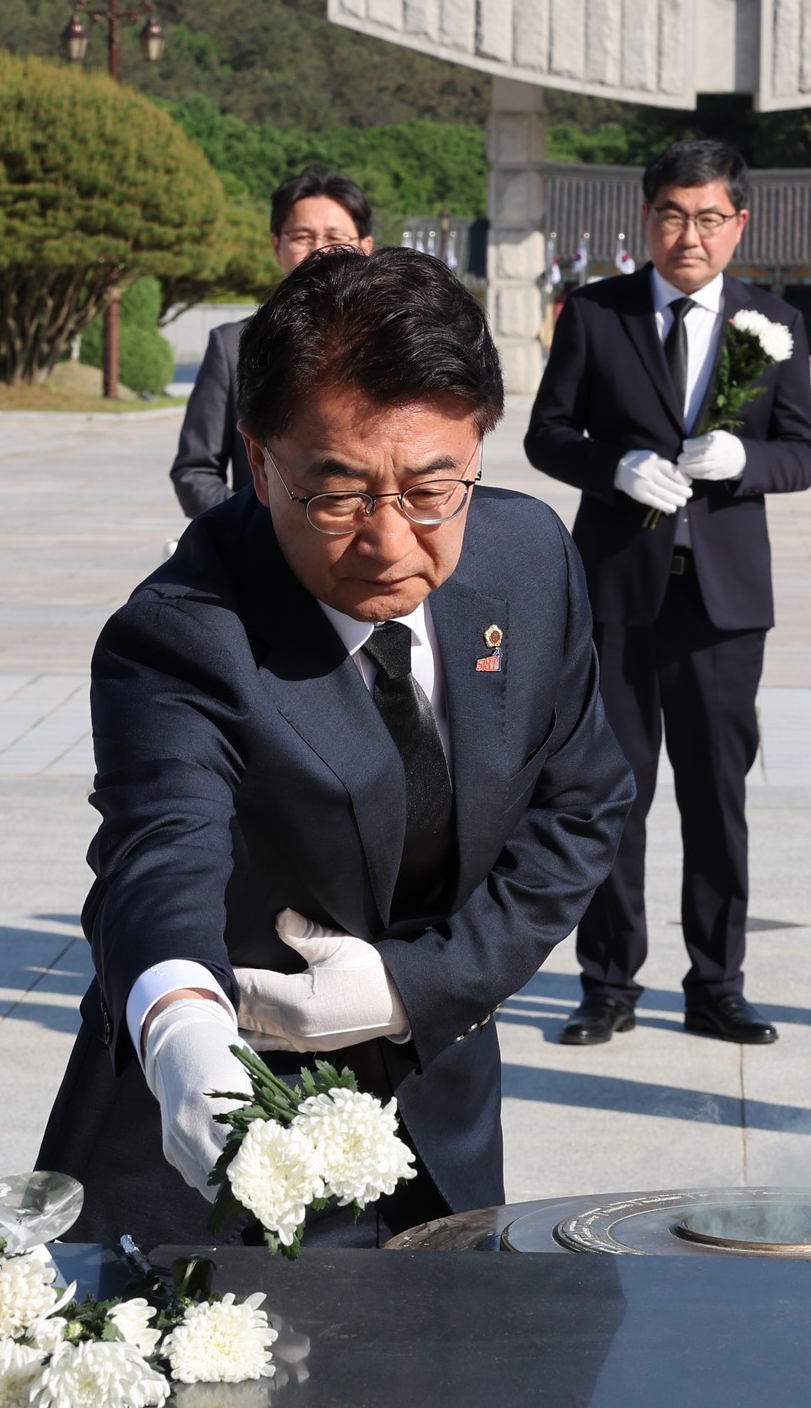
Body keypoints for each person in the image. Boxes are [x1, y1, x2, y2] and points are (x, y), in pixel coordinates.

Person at [39, 245, 633, 1245]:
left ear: (480, 444)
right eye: (341, 494)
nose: (393, 540)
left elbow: (583, 807)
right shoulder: (183, 632)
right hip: (212, 1154)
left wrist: (416, 987)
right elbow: (158, 855)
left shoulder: (528, 560)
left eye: (434, 489)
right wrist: (186, 1031)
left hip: (438, 1124)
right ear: (258, 459)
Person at [525, 138, 811, 1048]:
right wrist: (615, 466)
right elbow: (547, 435)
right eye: (669, 214)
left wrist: (744, 462)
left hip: (724, 602)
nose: (686, 234)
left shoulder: (772, 320)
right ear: (644, 218)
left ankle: (717, 982)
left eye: (706, 217)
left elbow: (802, 453)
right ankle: (608, 981)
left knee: (715, 794)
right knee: (611, 792)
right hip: (617, 591)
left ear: (739, 223)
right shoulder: (595, 313)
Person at [171, 166, 375, 516]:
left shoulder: (394, 347)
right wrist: (256, 529)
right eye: (301, 237)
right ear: (276, 245)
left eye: (334, 236)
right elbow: (195, 471)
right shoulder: (231, 346)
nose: (318, 251)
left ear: (365, 247)